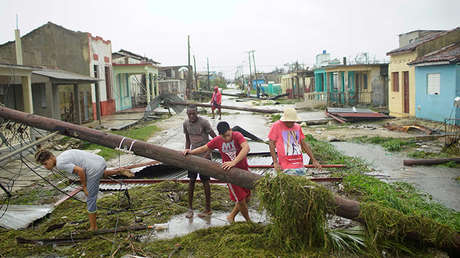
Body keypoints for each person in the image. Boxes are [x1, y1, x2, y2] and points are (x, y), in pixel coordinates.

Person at [35, 149, 134, 231]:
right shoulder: (63, 155)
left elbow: (80, 171)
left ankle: (93, 227)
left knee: (90, 198)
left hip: (93, 169)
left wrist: (84, 187)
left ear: (51, 157)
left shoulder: (60, 164)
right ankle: (119, 171)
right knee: (99, 174)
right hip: (100, 161)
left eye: (45, 163)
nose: (45, 166)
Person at [183, 121, 251, 223]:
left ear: (231, 130)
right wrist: (190, 152)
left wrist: (234, 162)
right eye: (224, 137)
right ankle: (249, 222)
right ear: (219, 135)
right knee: (241, 200)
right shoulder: (218, 140)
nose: (227, 138)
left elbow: (246, 148)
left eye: (228, 135)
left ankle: (231, 216)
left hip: (244, 170)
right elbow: (204, 148)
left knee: (247, 197)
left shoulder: (237, 135)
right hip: (230, 174)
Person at [183, 105, 217, 218]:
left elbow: (215, 139)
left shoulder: (204, 123)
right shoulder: (186, 124)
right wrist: (187, 151)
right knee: (191, 181)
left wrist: (208, 153)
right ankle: (190, 208)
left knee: (205, 181)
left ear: (197, 112)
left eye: (193, 113)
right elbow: (188, 140)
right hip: (193, 156)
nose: (192, 116)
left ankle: (208, 208)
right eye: (189, 114)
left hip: (205, 156)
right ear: (187, 114)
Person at [268, 108, 322, 175]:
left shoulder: (297, 127)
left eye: (293, 121)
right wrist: (275, 162)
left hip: (298, 164)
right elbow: (271, 144)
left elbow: (304, 144)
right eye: (289, 121)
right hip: (284, 166)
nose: (291, 123)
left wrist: (314, 160)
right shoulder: (276, 126)